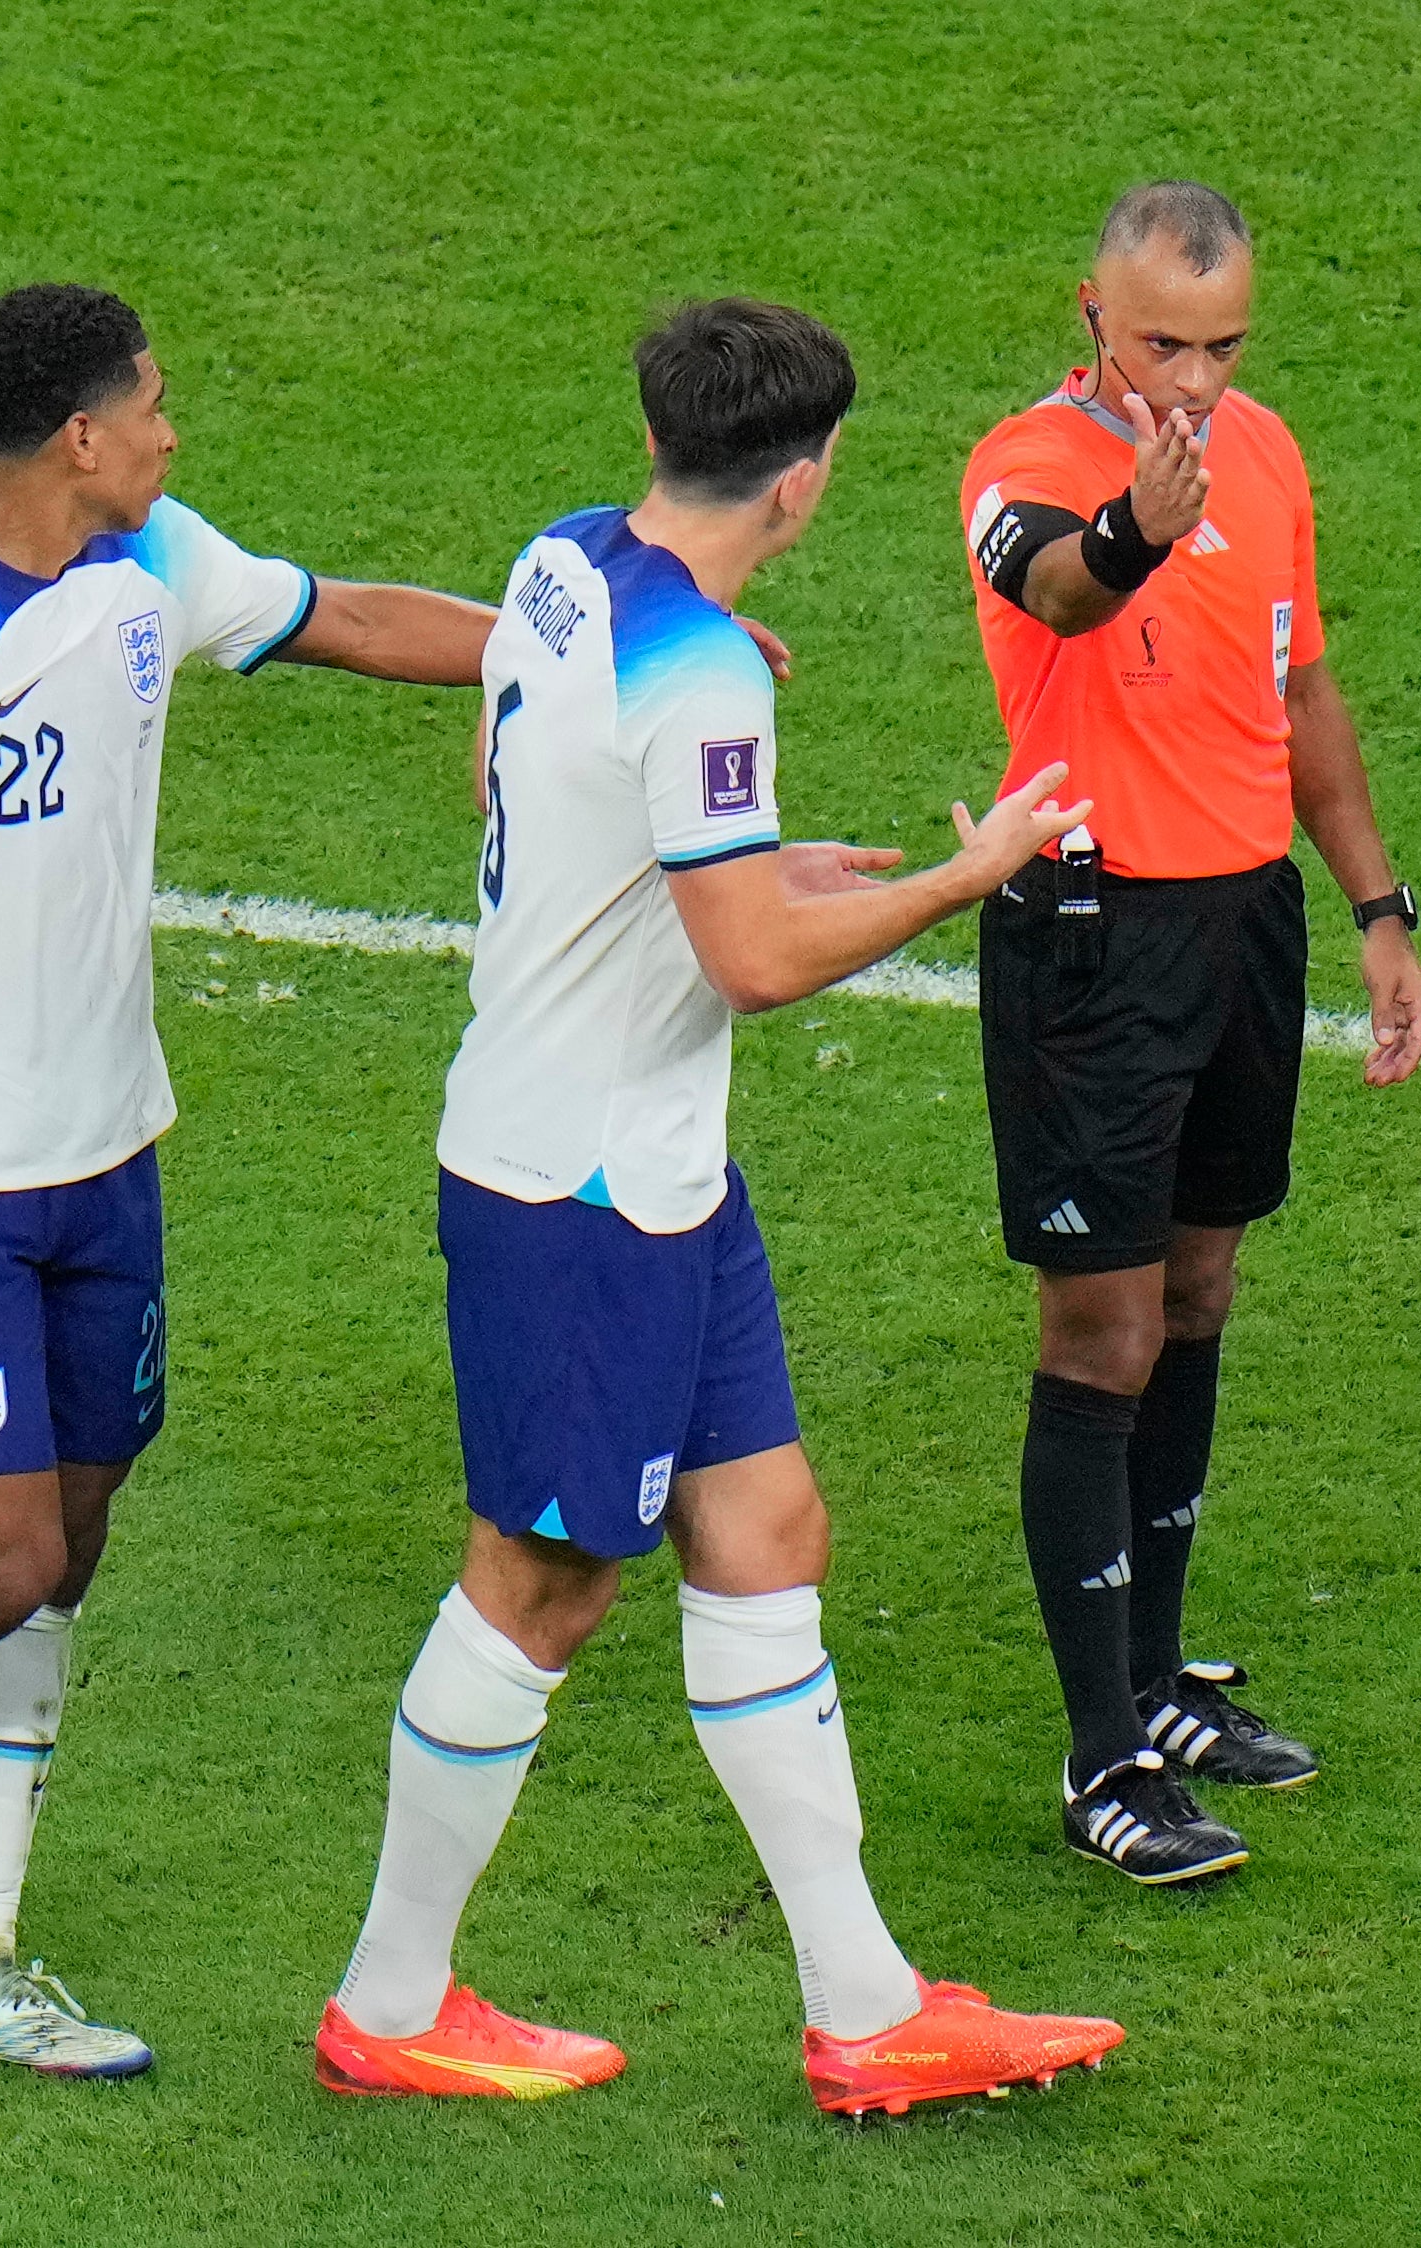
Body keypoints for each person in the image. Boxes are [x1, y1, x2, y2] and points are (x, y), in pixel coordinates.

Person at [314, 297, 1124, 2115]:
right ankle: (390, 1999)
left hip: (659, 1174)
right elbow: (752, 962)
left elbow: (516, 774)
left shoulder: (560, 565)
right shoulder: (708, 669)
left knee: (767, 1532)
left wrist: (735, 859)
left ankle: (868, 2008)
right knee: (541, 1585)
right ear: (806, 478)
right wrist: (961, 872)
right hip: (575, 1191)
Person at [0, 284, 500, 2070]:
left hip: (109, 1160)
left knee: (59, 1559)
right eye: (152, 405)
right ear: (77, 436)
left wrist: (577, 640)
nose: (171, 430)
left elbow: (350, 618)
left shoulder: (154, 561)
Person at [958, 182, 1421, 1885]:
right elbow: (1065, 594)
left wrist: (1377, 910)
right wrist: (1145, 524)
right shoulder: (1022, 464)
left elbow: (1297, 695)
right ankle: (1102, 1764)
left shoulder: (1273, 455)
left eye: (1225, 347)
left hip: (1244, 929)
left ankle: (1159, 1683)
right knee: (1101, 1331)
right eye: (1165, 342)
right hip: (1094, 941)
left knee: (1205, 1291)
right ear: (1092, 308)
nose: (1197, 378)